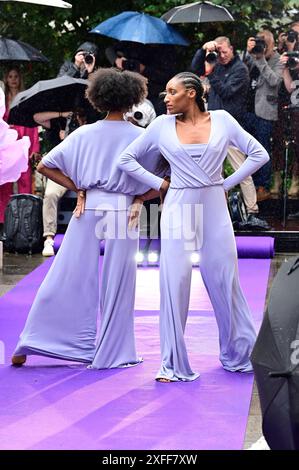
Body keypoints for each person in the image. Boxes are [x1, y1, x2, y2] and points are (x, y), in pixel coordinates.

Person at [118, 71, 270, 382]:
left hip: (215, 209)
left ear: (192, 92)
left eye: (172, 92)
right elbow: (127, 159)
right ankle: (172, 364)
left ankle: (238, 354)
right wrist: (160, 183)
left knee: (225, 280)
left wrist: (225, 183)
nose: (166, 98)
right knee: (174, 282)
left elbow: (259, 154)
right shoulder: (161, 125)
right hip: (178, 208)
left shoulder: (224, 120)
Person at [11, 68, 167, 368]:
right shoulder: (141, 136)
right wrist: (139, 197)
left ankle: (31, 341)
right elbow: (163, 178)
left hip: (89, 208)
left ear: (97, 98)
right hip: (123, 212)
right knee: (119, 282)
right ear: (134, 98)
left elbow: (44, 166)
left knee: (66, 275)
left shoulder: (83, 133)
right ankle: (114, 352)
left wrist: (79, 187)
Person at [191, 36, 268, 229]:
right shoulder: (216, 63)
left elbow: (225, 92)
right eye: (219, 52)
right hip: (212, 124)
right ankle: (211, 210)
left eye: (224, 52)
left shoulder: (240, 70)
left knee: (242, 169)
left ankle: (252, 211)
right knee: (210, 169)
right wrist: (203, 51)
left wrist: (212, 72)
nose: (222, 56)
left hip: (231, 127)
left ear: (232, 49)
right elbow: (195, 69)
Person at [0, 67, 40, 226]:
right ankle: (3, 221)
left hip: (24, 137)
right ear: (6, 79)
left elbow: (34, 124)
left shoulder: (26, 97)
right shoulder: (3, 98)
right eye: (10, 76)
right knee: (4, 181)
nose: (13, 79)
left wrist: (35, 149)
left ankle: (26, 220)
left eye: (16, 76)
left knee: (25, 178)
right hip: (7, 142)